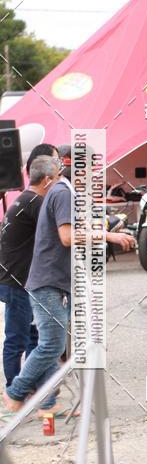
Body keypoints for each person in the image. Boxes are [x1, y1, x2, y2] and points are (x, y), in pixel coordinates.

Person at [2, 167, 136, 417]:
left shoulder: (60, 193)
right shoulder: (63, 192)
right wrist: (108, 236)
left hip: (51, 281)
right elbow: (66, 237)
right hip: (44, 282)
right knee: (50, 345)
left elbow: (73, 232)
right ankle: (16, 391)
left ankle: (46, 404)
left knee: (51, 344)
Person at [0, 156, 60, 391]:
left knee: (35, 335)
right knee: (18, 337)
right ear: (46, 180)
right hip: (17, 281)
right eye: (56, 178)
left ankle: (34, 386)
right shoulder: (35, 203)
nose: (57, 183)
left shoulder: (24, 199)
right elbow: (62, 233)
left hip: (21, 279)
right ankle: (14, 389)